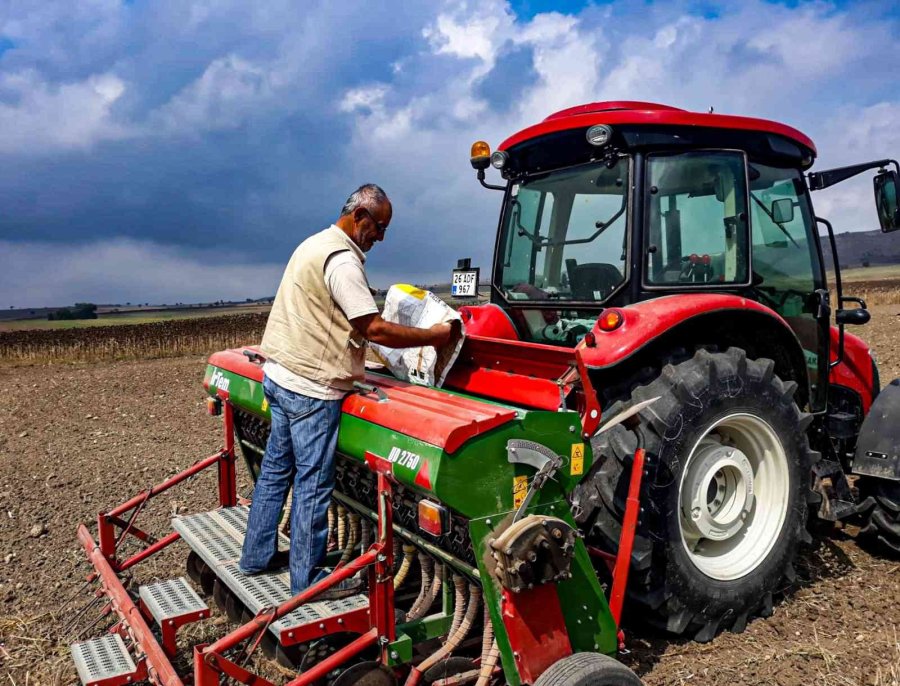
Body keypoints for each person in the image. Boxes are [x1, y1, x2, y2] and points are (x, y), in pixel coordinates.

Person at [239, 184, 452, 598]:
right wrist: (434, 337)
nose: (381, 237)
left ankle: (256, 556)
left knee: (276, 471)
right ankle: (308, 580)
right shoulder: (342, 261)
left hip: (280, 375)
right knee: (313, 483)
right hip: (311, 389)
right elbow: (373, 328)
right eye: (379, 226)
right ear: (359, 216)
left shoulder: (313, 244)